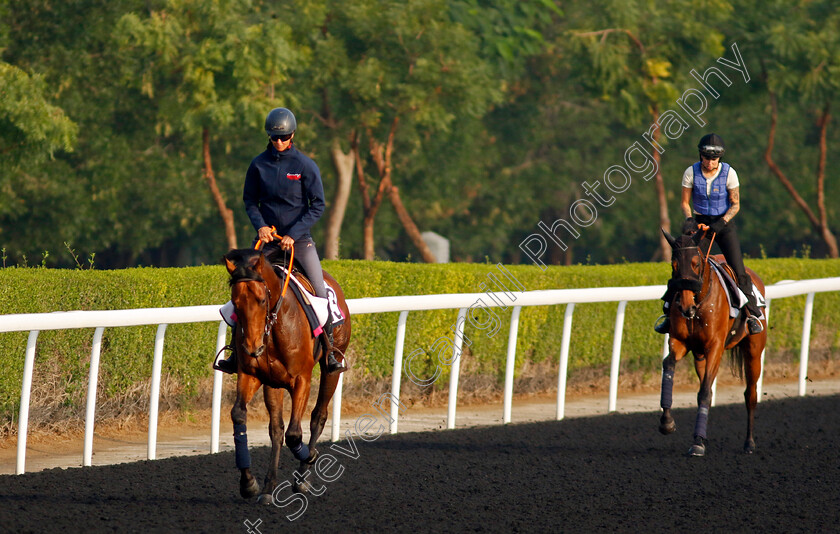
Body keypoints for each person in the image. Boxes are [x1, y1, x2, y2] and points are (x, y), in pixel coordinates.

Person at [216, 107, 346, 374]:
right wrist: (261, 226)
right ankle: (233, 355)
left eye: (284, 137)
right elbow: (250, 201)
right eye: (274, 137)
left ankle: (330, 350)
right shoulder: (257, 165)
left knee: (321, 293)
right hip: (267, 242)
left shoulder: (305, 166)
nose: (279, 142)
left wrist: (293, 234)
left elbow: (318, 206)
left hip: (299, 242)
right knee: (242, 296)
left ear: (293, 134)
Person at [654, 133, 763, 335]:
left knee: (738, 270)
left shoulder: (730, 173)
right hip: (699, 224)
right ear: (700, 155)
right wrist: (690, 220)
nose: (710, 162)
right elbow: (685, 203)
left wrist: (720, 223)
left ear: (719, 158)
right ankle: (668, 314)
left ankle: (752, 315)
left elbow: (735, 204)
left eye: (714, 159)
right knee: (684, 268)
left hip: (724, 225)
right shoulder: (690, 172)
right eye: (706, 158)